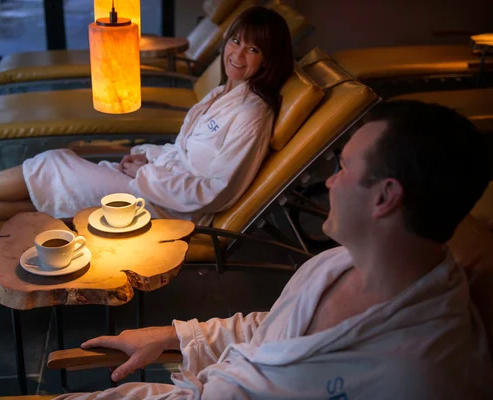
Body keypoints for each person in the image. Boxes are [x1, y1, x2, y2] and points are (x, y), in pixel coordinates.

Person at [55, 100, 493, 399]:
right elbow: (278, 331)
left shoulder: (421, 376)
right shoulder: (337, 264)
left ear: (385, 197)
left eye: (342, 168)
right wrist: (171, 336)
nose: (329, 183)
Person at [0, 6, 293, 230]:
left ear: (268, 59)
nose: (237, 54)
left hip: (174, 209)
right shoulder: (225, 93)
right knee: (46, 195)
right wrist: (149, 157)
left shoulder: (252, 113)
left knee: (54, 164)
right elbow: (184, 151)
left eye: (253, 50)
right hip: (159, 185)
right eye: (236, 41)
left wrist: (146, 175)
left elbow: (216, 191)